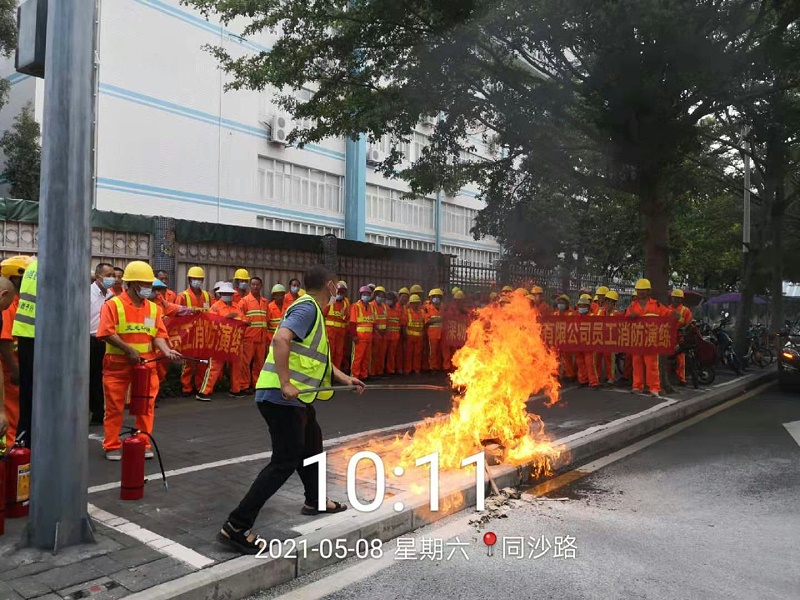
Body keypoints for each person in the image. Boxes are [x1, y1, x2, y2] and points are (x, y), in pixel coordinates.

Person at [216, 265, 365, 554]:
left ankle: (315, 499)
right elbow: (280, 339)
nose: (338, 290)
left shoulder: (312, 311)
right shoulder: (307, 308)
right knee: (284, 461)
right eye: (337, 286)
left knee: (312, 446)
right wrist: (286, 383)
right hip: (281, 397)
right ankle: (236, 526)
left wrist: (345, 378)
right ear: (331, 286)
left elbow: (317, 357)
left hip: (297, 399)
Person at [96, 261, 182, 460]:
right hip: (117, 365)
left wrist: (167, 351)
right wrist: (128, 350)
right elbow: (105, 333)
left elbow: (158, 335)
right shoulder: (113, 304)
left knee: (145, 406)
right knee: (114, 407)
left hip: (146, 366)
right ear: (133, 284)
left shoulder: (153, 309)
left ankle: (143, 442)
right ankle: (111, 445)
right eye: (146, 284)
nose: (149, 289)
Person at [0, 257, 31, 446]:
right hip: (10, 370)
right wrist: (15, 369)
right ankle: (10, 453)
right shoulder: (8, 306)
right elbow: (4, 343)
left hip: (16, 367)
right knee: (10, 415)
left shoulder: (19, 302)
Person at [197, 282, 243, 401]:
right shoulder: (215, 307)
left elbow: (243, 319)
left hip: (234, 342)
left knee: (237, 366)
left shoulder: (237, 307)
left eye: (229, 293)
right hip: (219, 342)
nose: (227, 295)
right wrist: (226, 319)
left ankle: (236, 390)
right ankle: (204, 392)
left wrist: (245, 322)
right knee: (214, 367)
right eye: (225, 293)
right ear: (221, 294)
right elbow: (211, 322)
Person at [625, 279, 670, 397]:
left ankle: (654, 388)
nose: (641, 292)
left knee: (652, 365)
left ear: (648, 291)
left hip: (651, 339)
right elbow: (625, 319)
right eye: (639, 290)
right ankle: (637, 386)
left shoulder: (656, 304)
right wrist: (630, 316)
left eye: (643, 290)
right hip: (637, 339)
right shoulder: (632, 305)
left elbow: (667, 315)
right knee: (637, 363)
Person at [11, 259, 37, 447]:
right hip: (40, 337)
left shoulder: (33, 267)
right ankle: (30, 440)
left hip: (27, 334)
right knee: (40, 394)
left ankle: (25, 438)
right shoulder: (54, 266)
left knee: (28, 394)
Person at [177, 266, 211, 395]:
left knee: (203, 363)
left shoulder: (207, 296)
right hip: (189, 334)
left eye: (199, 279)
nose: (197, 281)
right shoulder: (183, 296)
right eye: (194, 278)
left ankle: (199, 386)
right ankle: (186, 388)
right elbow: (177, 314)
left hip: (204, 334)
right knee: (189, 363)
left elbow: (212, 313)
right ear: (189, 279)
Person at [89, 262, 116, 425]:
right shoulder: (88, 294)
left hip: (108, 341)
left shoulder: (111, 295)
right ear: (98, 277)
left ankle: (101, 412)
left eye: (113, 275)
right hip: (91, 341)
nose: (112, 279)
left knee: (104, 378)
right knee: (92, 378)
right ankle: (95, 411)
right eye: (108, 276)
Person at [238, 277, 269, 396]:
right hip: (249, 337)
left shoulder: (265, 302)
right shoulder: (244, 301)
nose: (255, 287)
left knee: (259, 363)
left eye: (257, 285)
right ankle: (244, 385)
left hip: (261, 338)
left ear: (261, 286)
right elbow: (241, 317)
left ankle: (257, 384)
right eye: (253, 285)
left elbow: (268, 319)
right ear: (250, 286)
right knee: (245, 363)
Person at [574, 296, 600, 389]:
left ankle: (593, 382)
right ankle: (583, 380)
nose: (581, 307)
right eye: (580, 305)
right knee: (580, 363)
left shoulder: (593, 317)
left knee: (590, 363)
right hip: (578, 343)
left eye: (584, 306)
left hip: (589, 344)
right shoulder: (576, 317)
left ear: (588, 307)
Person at [349, 286, 375, 380]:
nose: (366, 296)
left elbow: (373, 322)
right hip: (359, 337)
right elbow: (352, 322)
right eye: (364, 294)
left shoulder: (371, 307)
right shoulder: (355, 306)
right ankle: (355, 375)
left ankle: (364, 374)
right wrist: (354, 335)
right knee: (357, 357)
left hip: (369, 337)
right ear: (361, 295)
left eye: (368, 294)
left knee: (366, 357)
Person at [323, 281, 350, 371]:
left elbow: (347, 318)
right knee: (330, 353)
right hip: (330, 332)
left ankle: (336, 373)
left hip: (341, 334)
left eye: (342, 292)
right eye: (338, 292)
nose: (340, 294)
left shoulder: (346, 304)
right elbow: (323, 314)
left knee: (339, 353)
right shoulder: (330, 302)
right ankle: (328, 372)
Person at [596, 290, 621, 384]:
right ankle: (597, 376)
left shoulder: (617, 314)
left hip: (610, 340)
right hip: (599, 339)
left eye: (611, 301)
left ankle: (611, 377)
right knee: (597, 358)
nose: (609, 303)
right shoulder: (600, 312)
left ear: (614, 303)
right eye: (607, 301)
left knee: (609, 359)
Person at [670, 289, 693, 385]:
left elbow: (689, 324)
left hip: (680, 338)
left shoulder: (685, 311)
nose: (676, 300)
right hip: (669, 337)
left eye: (678, 298)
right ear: (672, 298)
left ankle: (681, 379)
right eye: (675, 298)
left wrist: (683, 329)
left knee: (680, 359)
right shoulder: (667, 309)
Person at [442, 290, 469, 371]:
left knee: (457, 351)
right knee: (447, 352)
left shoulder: (465, 309)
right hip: (450, 332)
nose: (459, 302)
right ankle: (447, 368)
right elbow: (448, 317)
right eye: (458, 300)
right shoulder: (450, 308)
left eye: (461, 300)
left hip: (459, 334)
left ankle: (455, 367)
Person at [553, 294, 577, 381]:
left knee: (568, 358)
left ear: (567, 304)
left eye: (562, 303)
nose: (560, 304)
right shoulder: (555, 313)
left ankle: (570, 375)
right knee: (556, 357)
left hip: (568, 339)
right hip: (557, 338)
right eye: (559, 303)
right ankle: (558, 374)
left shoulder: (571, 314)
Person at [384, 291, 405, 375]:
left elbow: (401, 323)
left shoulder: (398, 311)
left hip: (395, 336)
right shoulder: (384, 309)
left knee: (392, 354)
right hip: (385, 335)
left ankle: (391, 370)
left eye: (390, 299)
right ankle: (382, 370)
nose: (388, 301)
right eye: (387, 299)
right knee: (382, 354)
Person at [403, 294, 425, 374]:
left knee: (418, 354)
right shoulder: (407, 312)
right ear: (411, 303)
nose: (415, 304)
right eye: (413, 303)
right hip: (410, 336)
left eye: (417, 303)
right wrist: (404, 335)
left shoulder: (422, 312)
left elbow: (424, 323)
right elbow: (404, 324)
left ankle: (416, 369)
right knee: (409, 353)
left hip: (419, 336)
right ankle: (408, 370)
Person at [370, 286, 389, 376]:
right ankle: (373, 372)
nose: (380, 297)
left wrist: (385, 330)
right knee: (374, 354)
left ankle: (380, 372)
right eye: (379, 295)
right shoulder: (371, 306)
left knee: (382, 354)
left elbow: (387, 319)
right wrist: (379, 330)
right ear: (375, 295)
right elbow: (372, 321)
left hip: (383, 334)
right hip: (375, 333)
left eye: (382, 296)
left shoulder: (384, 307)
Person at [424, 288, 444, 371]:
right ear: (430, 298)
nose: (436, 298)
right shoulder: (427, 308)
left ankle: (438, 366)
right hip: (432, 333)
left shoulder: (443, 308)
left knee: (440, 351)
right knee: (433, 351)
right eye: (434, 296)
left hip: (442, 333)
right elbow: (427, 321)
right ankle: (432, 367)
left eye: (438, 296)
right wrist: (440, 319)